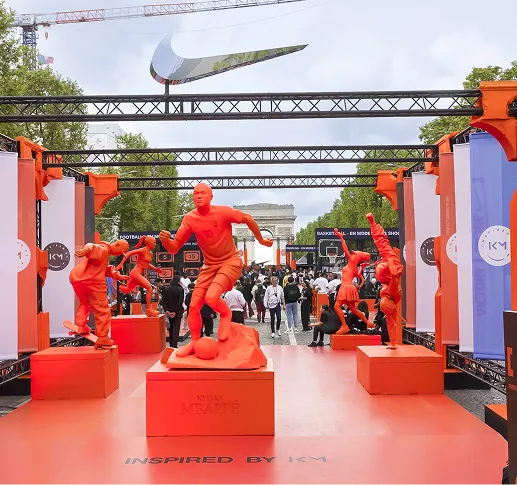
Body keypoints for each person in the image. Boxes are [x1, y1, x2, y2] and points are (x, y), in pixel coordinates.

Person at [159, 183, 273, 358]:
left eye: (203, 193)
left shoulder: (223, 212)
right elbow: (174, 248)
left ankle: (226, 313)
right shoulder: (189, 218)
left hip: (230, 261)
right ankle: (194, 342)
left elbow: (248, 218)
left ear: (211, 196)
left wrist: (261, 240)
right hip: (209, 265)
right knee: (194, 305)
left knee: (211, 297)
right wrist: (166, 241)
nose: (198, 196)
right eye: (195, 193)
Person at [70, 239, 129, 348]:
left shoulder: (103, 255)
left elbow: (105, 269)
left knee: (85, 303)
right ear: (117, 245)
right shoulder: (104, 250)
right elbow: (93, 247)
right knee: (102, 309)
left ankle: (81, 324)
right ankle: (103, 337)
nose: (118, 255)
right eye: (120, 252)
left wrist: (117, 276)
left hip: (77, 279)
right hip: (93, 281)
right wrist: (87, 249)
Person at [332, 228, 371, 334]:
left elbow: (345, 250)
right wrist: (362, 268)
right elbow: (357, 275)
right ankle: (368, 322)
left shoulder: (352, 260)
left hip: (345, 287)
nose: (352, 254)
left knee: (337, 306)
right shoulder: (355, 266)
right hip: (350, 287)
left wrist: (341, 238)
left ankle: (344, 326)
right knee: (353, 309)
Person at [116, 236, 162, 317]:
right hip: (135, 273)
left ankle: (119, 286)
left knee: (126, 290)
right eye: (154, 242)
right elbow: (129, 253)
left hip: (136, 274)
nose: (155, 244)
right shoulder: (143, 250)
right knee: (149, 288)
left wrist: (155, 269)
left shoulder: (150, 253)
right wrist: (121, 263)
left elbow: (147, 264)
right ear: (148, 243)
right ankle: (149, 309)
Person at [161, 275, 185, 348]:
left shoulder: (167, 289)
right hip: (177, 312)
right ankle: (174, 345)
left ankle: (171, 344)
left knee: (171, 328)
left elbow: (163, 301)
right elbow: (180, 302)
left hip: (169, 311)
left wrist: (167, 310)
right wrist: (175, 311)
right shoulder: (180, 290)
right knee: (176, 328)